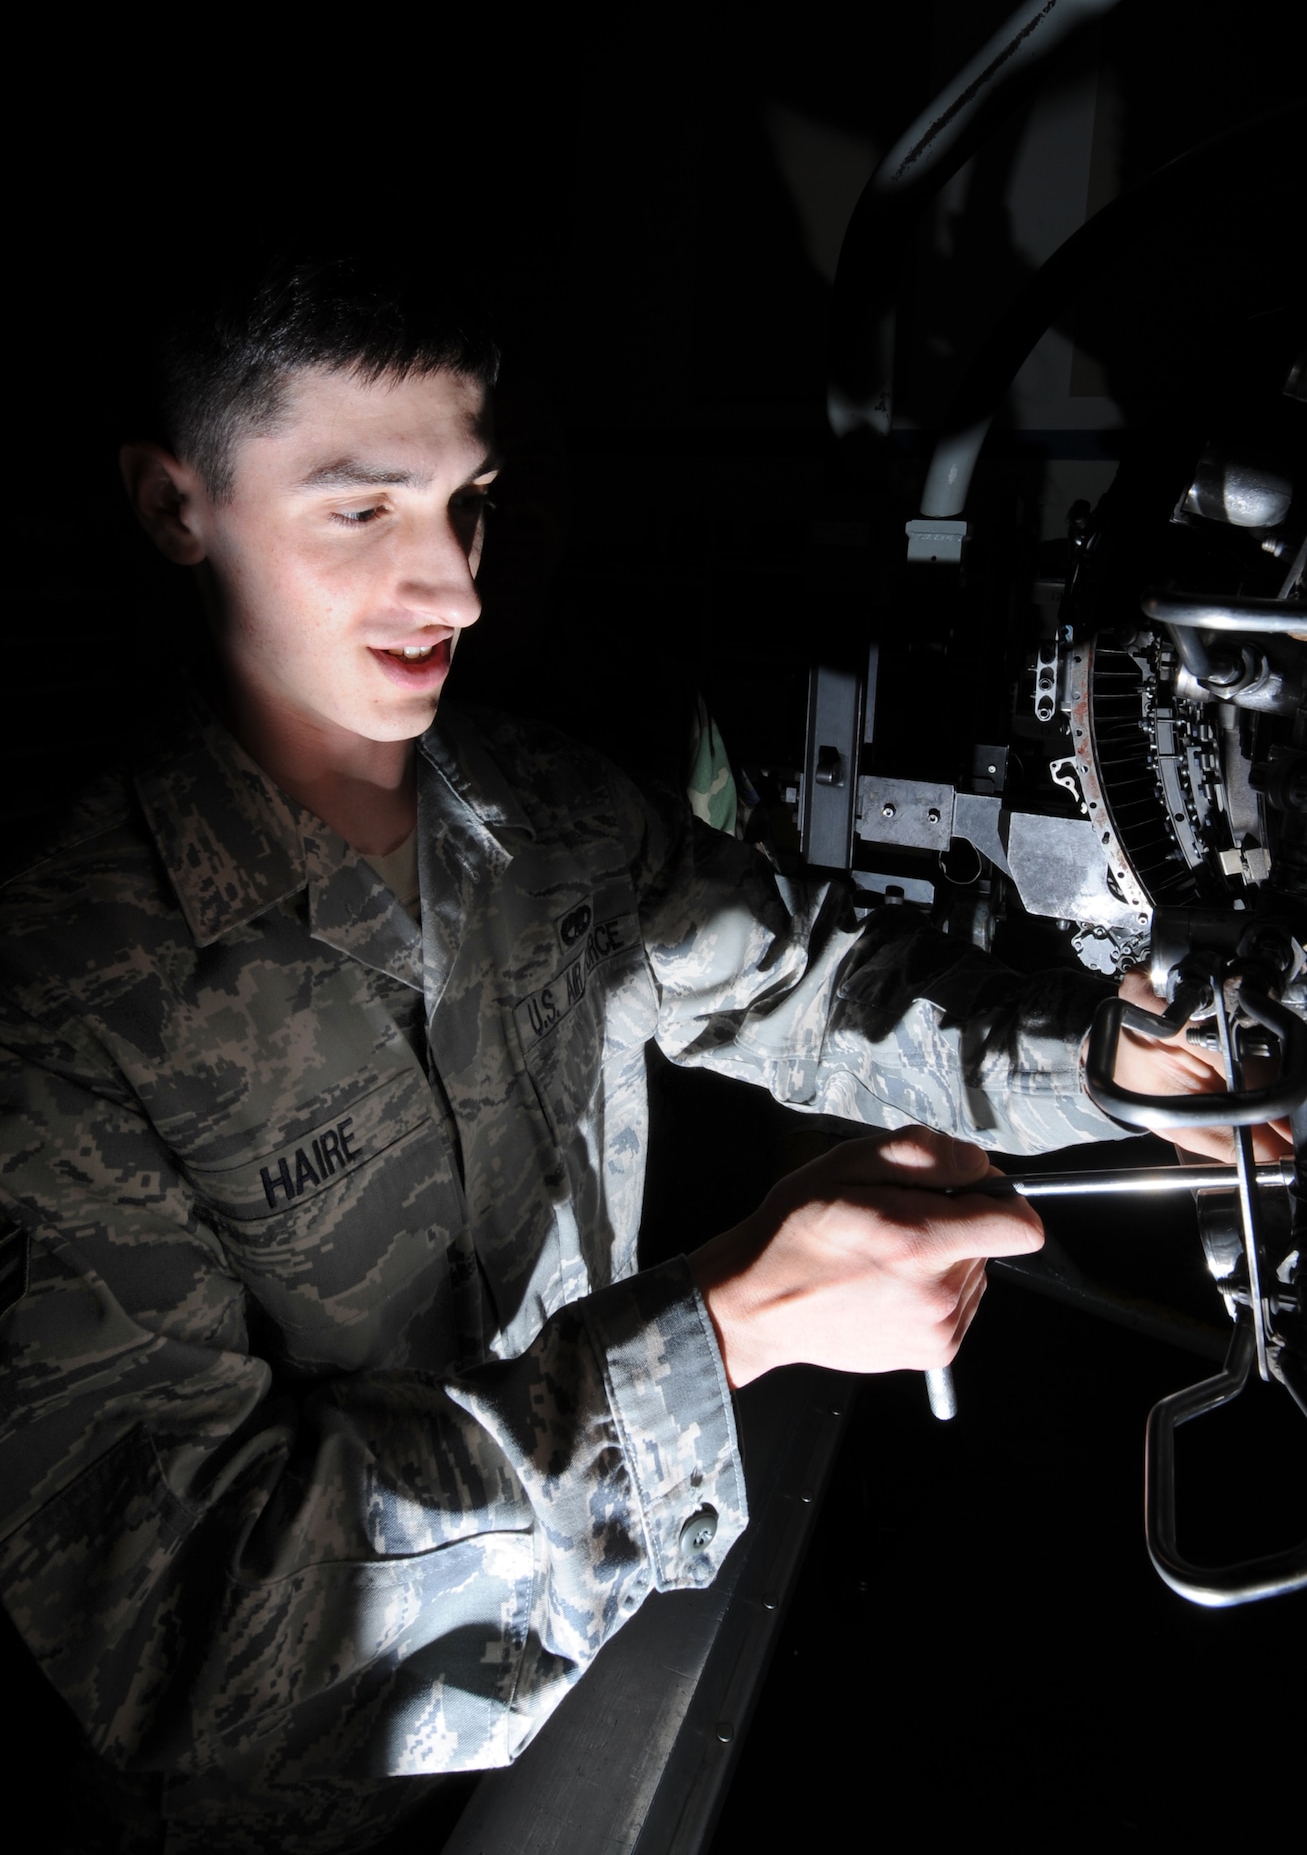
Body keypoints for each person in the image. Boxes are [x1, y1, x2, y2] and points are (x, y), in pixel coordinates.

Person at [0, 257, 1269, 1855]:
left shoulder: (536, 815)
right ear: (176, 505)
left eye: (468, 502)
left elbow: (801, 980)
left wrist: (1105, 1065)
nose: (455, 587)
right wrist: (736, 1324)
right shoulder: (64, 991)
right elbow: (171, 1612)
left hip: (589, 1686)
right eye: (361, 511)